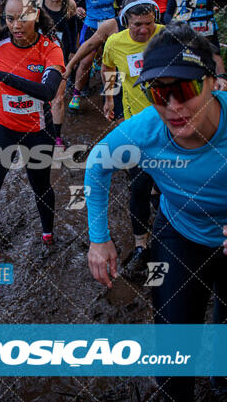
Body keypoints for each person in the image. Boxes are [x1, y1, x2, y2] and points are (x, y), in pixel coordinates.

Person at [86, 21, 227, 402]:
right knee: (173, 348)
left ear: (213, 81)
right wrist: (99, 239)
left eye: (184, 89)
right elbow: (97, 163)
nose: (173, 107)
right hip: (180, 234)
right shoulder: (147, 129)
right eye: (159, 93)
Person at [0, 0, 65, 250]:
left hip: (37, 131)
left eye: (23, 17)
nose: (16, 25)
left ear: (36, 14)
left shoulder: (50, 49)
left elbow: (48, 92)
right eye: (10, 19)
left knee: (40, 185)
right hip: (0, 126)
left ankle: (47, 232)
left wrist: (2, 76)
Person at [100, 0, 164, 272]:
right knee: (137, 186)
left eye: (148, 23)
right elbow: (107, 67)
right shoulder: (115, 42)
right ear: (126, 21)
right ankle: (141, 246)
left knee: (170, 182)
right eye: (137, 24)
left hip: (170, 123)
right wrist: (109, 97)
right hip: (136, 126)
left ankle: (173, 237)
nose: (143, 30)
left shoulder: (166, 36)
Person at [68, 0, 122, 112]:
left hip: (110, 25)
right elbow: (77, 4)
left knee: (114, 61)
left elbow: (121, 4)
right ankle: (76, 95)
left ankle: (111, 94)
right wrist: (78, 9)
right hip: (91, 25)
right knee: (86, 61)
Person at [37, 0, 77, 147]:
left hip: (59, 53)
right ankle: (32, 131)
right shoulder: (35, 0)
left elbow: (73, 29)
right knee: (35, 95)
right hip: (36, 53)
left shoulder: (70, 4)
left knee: (58, 98)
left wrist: (73, 51)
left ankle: (56, 136)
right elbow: (23, 27)